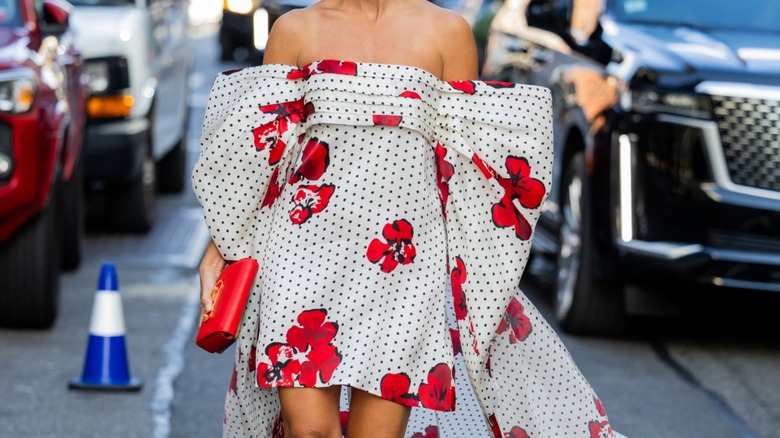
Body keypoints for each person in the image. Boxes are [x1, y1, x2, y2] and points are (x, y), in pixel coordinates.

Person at [195, 0, 620, 437]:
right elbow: (257, 158)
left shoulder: (448, 34)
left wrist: (476, 282)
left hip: (403, 270)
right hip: (302, 257)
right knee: (309, 431)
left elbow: (471, 175)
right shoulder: (294, 30)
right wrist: (218, 249)